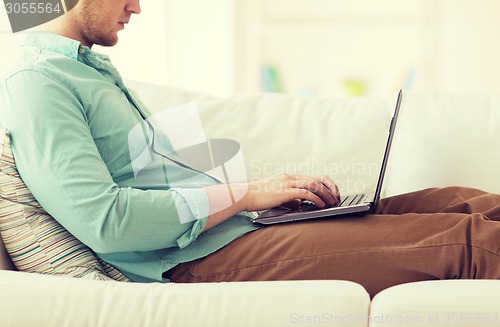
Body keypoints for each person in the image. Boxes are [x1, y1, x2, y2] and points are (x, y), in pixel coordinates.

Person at [1, 0, 500, 299]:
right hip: (195, 260)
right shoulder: (37, 83)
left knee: (461, 202)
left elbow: (162, 183)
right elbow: (106, 222)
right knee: (468, 242)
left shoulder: (86, 69)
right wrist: (245, 195)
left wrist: (267, 199)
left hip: (231, 232)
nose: (138, 6)